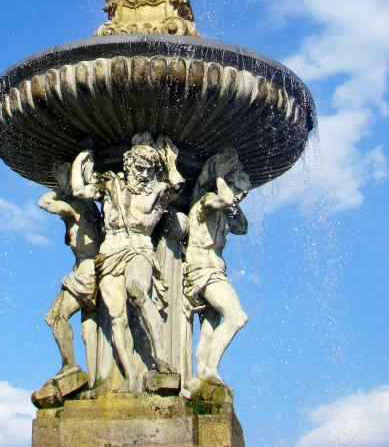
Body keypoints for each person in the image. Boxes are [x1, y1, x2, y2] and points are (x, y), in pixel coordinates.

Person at [95, 134, 184, 391]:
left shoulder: (156, 190)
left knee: (137, 289)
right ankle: (130, 377)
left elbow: (176, 186)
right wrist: (81, 160)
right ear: (128, 164)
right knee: (116, 316)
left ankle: (160, 357)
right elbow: (81, 190)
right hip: (110, 251)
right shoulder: (112, 186)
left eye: (148, 169)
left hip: (139, 248)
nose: (144, 174)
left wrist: (169, 163)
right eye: (139, 167)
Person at [184, 149, 250, 386]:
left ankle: (202, 373)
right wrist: (220, 177)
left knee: (210, 326)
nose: (241, 196)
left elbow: (243, 227)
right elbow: (225, 199)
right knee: (237, 316)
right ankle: (209, 369)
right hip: (202, 271)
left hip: (214, 272)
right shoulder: (206, 202)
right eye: (240, 190)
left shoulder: (222, 214)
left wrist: (233, 201)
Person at [38, 151, 103, 381]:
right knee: (89, 328)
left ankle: (70, 366)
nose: (56, 183)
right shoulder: (89, 209)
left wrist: (61, 189)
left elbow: (44, 203)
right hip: (90, 271)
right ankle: (97, 379)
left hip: (86, 274)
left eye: (59, 178)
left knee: (55, 316)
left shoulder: (75, 207)